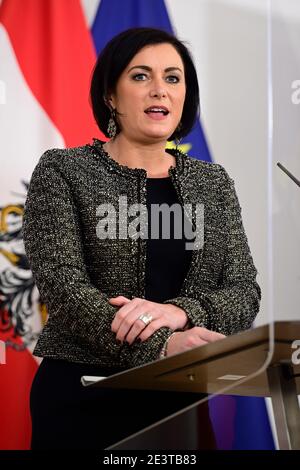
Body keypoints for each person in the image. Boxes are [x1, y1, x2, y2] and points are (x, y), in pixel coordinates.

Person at [22, 27, 261, 450]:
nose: (160, 91)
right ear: (110, 96)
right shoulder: (63, 171)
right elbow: (64, 288)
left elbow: (243, 292)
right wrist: (164, 342)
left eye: (173, 78)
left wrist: (178, 312)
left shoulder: (213, 183)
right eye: (140, 76)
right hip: (84, 395)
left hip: (179, 400)